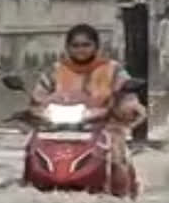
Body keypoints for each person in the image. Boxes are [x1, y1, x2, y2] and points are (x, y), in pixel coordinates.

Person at [29, 24, 146, 194]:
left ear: (96, 47)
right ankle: (31, 187)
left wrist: (127, 107)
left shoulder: (112, 69)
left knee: (116, 157)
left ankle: (122, 198)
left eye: (86, 45)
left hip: (104, 125)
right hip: (58, 127)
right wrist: (37, 108)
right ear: (68, 48)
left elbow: (127, 96)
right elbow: (39, 96)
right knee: (31, 149)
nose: (80, 50)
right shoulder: (55, 70)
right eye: (75, 45)